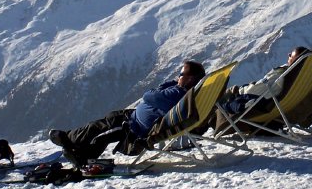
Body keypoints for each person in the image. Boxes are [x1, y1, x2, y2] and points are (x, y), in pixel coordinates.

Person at [49, 60, 206, 166]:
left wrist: (169, 85)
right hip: (134, 117)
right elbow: (154, 96)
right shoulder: (184, 92)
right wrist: (174, 83)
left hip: (135, 128)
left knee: (101, 128)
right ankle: (77, 149)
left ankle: (70, 142)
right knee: (107, 122)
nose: (178, 77)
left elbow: (149, 95)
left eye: (181, 74)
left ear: (190, 78)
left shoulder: (177, 94)